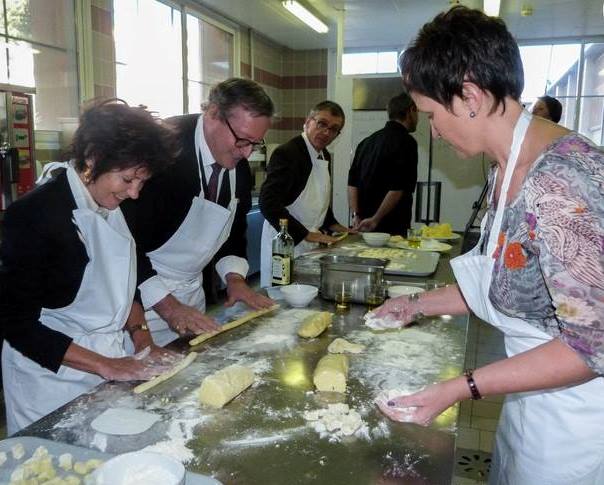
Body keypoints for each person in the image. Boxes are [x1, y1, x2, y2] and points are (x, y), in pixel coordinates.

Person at [372, 6, 604, 485]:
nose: (433, 129)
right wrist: (416, 304)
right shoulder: (505, 170)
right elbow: (508, 279)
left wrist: (461, 387)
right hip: (531, 396)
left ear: (470, 97)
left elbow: (591, 348)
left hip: (577, 420)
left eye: (434, 114)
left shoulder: (562, 183)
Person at [0, 100, 177, 434]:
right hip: (50, 379)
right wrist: (105, 365)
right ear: (93, 158)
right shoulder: (36, 214)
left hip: (112, 361)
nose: (135, 193)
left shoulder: (118, 204)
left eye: (142, 181)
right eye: (127, 179)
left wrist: (142, 341)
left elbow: (122, 285)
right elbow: (16, 324)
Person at [122, 78, 274, 347]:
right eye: (242, 140)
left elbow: (233, 229)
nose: (247, 152)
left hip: (192, 296)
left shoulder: (236, 160)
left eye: (255, 143)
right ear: (213, 113)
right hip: (140, 302)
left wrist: (235, 278)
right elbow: (125, 243)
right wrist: (169, 308)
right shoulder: (161, 149)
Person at [259, 100, 353, 287]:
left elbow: (319, 199)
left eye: (334, 129)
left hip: (310, 242)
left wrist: (336, 226)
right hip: (284, 241)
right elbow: (268, 203)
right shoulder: (288, 152)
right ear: (308, 121)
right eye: (322, 124)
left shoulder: (324, 155)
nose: (326, 132)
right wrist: (306, 234)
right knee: (282, 298)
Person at [348, 92, 418, 235]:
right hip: (392, 228)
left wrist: (356, 215)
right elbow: (398, 188)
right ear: (411, 110)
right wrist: (376, 219)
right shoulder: (407, 142)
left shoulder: (366, 142)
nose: (418, 119)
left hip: (363, 225)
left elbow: (352, 184)